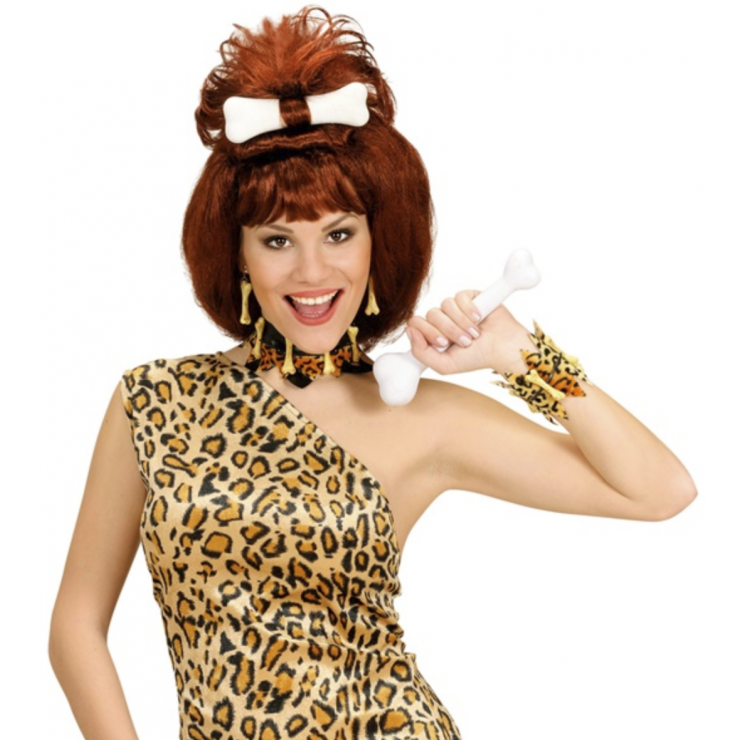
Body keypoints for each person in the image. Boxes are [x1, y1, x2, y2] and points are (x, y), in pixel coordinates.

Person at [48, 7, 697, 740]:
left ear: (376, 241)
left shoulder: (422, 416)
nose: (312, 271)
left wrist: (519, 354)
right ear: (236, 254)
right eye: (277, 240)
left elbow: (665, 489)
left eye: (339, 233)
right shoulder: (153, 400)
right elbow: (75, 627)